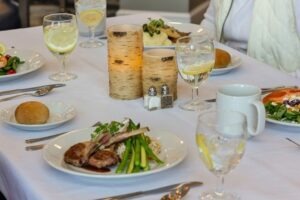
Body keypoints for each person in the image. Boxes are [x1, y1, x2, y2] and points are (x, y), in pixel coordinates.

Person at [200, 0, 300, 78]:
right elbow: (210, 21)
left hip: (275, 82)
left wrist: (287, 83)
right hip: (227, 72)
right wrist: (195, 46)